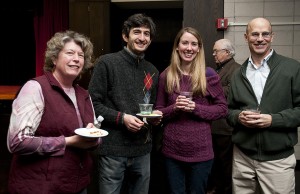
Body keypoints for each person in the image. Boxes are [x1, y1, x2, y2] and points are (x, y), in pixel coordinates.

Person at [7, 30, 102, 194]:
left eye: (81, 55)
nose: (76, 59)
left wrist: (94, 137)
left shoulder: (84, 94)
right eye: (70, 53)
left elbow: (94, 134)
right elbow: (16, 142)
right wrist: (69, 141)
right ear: (54, 58)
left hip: (78, 185)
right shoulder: (35, 88)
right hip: (41, 187)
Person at [88, 13, 162, 194]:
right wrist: (122, 118)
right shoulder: (107, 63)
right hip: (113, 150)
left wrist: (154, 119)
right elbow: (92, 104)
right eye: (137, 32)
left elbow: (150, 107)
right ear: (125, 36)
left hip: (143, 150)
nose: (142, 38)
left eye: (147, 34)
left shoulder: (152, 70)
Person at [227, 17, 300, 194]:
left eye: (265, 34)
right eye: (255, 34)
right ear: (246, 37)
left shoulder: (292, 68)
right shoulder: (238, 74)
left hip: (278, 160)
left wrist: (273, 120)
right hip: (242, 157)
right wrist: (238, 117)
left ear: (272, 37)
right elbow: (229, 111)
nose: (260, 38)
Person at [155, 27, 228, 194]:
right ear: (177, 47)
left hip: (201, 152)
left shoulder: (208, 74)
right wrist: (175, 108)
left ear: (199, 48)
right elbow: (158, 111)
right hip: (172, 151)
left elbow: (222, 109)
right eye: (185, 43)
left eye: (194, 44)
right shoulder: (166, 75)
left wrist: (195, 107)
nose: (189, 48)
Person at [207, 39, 240, 194]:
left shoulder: (236, 69)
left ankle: (226, 191)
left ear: (227, 52)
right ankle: (217, 188)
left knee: (226, 164)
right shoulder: (219, 69)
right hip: (215, 126)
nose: (213, 54)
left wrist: (210, 89)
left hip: (225, 127)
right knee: (216, 163)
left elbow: (231, 94)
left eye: (216, 51)